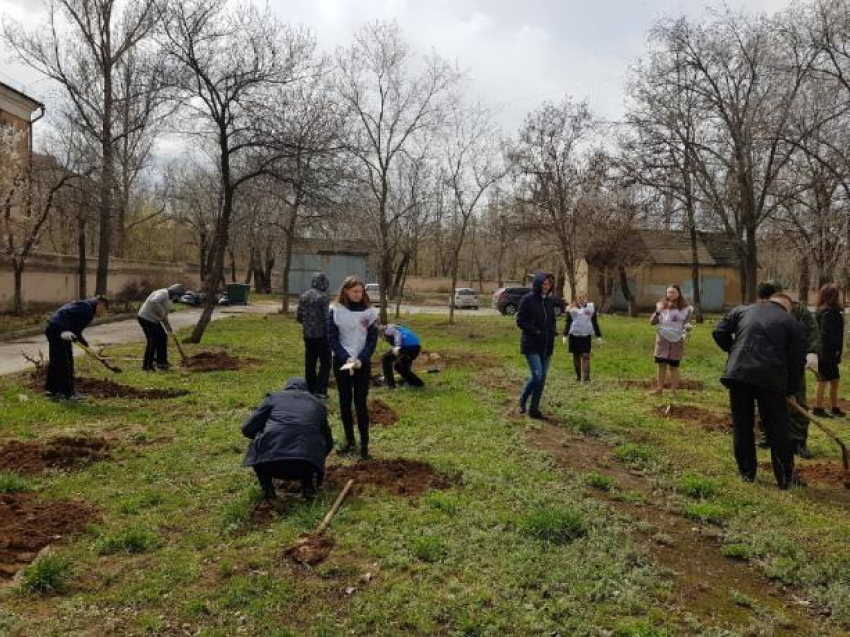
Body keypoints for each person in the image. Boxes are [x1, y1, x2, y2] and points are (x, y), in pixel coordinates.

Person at [712, 293, 806, 489]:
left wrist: (734, 350)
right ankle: (786, 478)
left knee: (742, 424)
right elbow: (797, 361)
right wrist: (792, 390)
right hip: (771, 380)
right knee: (778, 428)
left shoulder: (742, 310)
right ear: (787, 306)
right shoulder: (791, 323)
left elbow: (719, 331)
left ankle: (746, 473)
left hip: (739, 375)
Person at [754, 281, 820, 457]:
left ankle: (798, 441)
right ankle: (765, 436)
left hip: (794, 364)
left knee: (798, 403)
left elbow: (812, 331)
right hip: (769, 364)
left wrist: (811, 353)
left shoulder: (798, 311)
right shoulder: (759, 310)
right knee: (764, 401)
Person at [241, 377, 334, 501]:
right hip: (306, 466)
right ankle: (308, 486)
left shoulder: (274, 398)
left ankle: (268, 490)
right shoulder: (318, 405)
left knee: (258, 439)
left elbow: (247, 428)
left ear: (286, 388)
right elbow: (329, 443)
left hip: (270, 464)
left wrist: (265, 435)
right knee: (311, 441)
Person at [328, 276, 378, 459]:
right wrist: (345, 357)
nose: (358, 295)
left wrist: (361, 359)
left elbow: (372, 340)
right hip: (341, 362)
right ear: (346, 291)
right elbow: (332, 338)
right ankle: (350, 442)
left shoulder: (370, 313)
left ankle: (364, 446)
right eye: (354, 291)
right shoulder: (335, 310)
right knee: (345, 402)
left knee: (360, 403)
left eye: (361, 291)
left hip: (361, 364)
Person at [44, 296, 109, 400]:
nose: (102, 314)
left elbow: (77, 331)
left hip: (55, 330)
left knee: (57, 361)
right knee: (66, 362)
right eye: (104, 310)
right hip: (58, 330)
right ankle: (69, 394)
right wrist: (64, 329)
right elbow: (64, 313)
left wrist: (87, 347)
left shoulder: (87, 308)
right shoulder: (87, 307)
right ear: (100, 304)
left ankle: (52, 391)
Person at [516, 272, 557, 419]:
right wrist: (535, 331)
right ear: (538, 284)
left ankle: (534, 409)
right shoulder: (527, 300)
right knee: (537, 375)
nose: (546, 287)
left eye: (548, 284)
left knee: (543, 378)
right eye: (544, 284)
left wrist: (553, 332)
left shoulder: (549, 301)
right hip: (531, 344)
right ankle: (522, 400)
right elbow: (520, 321)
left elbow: (552, 321)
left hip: (547, 345)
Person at [649, 284, 693, 396]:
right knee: (661, 365)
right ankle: (659, 389)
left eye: (673, 292)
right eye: (668, 292)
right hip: (662, 338)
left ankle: (673, 391)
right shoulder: (661, 305)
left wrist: (688, 327)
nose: (670, 294)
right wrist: (657, 312)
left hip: (677, 339)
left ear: (679, 293)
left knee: (674, 366)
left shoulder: (686, 308)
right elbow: (652, 322)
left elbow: (687, 323)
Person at [296, 273, 331, 397]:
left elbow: (298, 317)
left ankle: (310, 389)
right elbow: (327, 318)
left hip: (307, 335)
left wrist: (307, 325)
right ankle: (320, 390)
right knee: (325, 363)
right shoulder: (323, 297)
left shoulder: (303, 296)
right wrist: (330, 335)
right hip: (322, 336)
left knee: (310, 362)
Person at [813, 283, 845, 418]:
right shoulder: (828, 312)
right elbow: (827, 335)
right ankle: (818, 409)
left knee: (834, 381)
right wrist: (834, 352)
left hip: (826, 352)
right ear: (832, 296)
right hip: (826, 353)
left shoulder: (825, 310)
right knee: (823, 381)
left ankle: (834, 407)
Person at [137, 284, 185, 371]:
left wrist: (168, 328)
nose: (176, 298)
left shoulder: (168, 300)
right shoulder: (163, 293)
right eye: (177, 296)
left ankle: (161, 362)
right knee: (153, 341)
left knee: (163, 337)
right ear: (174, 293)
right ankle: (147, 366)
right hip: (146, 318)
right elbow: (153, 301)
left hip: (154, 320)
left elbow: (164, 316)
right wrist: (162, 314)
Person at [562, 291, 602, 382]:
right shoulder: (572, 309)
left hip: (586, 336)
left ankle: (587, 378)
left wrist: (598, 336)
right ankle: (578, 377)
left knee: (585, 355)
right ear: (577, 298)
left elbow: (595, 322)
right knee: (576, 356)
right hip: (574, 336)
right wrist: (565, 335)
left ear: (586, 298)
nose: (581, 299)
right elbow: (568, 323)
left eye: (583, 297)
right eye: (579, 298)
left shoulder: (590, 308)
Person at [379, 323, 424, 389]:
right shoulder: (399, 327)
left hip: (408, 347)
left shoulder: (388, 329)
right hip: (416, 348)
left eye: (379, 335)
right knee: (400, 366)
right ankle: (417, 384)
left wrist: (397, 346)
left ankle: (390, 385)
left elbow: (397, 334)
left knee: (385, 358)